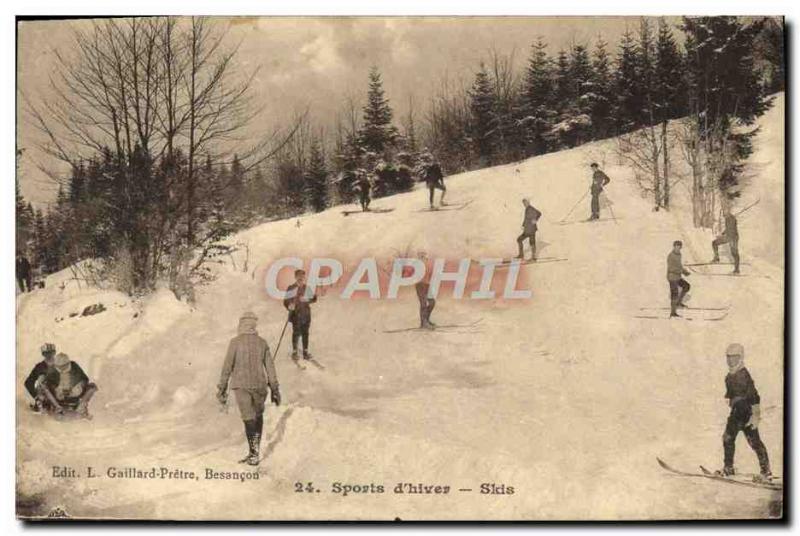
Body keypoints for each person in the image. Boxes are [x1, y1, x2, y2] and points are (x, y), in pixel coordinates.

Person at [217, 311, 281, 466]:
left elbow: (227, 366)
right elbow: (270, 368)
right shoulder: (262, 343)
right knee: (257, 417)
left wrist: (222, 387)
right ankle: (255, 452)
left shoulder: (235, 342)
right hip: (260, 386)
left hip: (241, 386)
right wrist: (275, 389)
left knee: (248, 418)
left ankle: (254, 453)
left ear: (241, 325)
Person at [717, 343, 772, 481]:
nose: (730, 360)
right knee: (727, 438)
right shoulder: (729, 376)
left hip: (746, 413)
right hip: (736, 413)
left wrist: (755, 415)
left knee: (754, 442)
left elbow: (754, 395)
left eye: (734, 357)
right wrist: (730, 400)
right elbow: (730, 394)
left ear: (740, 357)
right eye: (728, 357)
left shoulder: (744, 374)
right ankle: (728, 467)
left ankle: (766, 472)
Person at [42, 353, 98, 418]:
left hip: (75, 394)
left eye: (64, 366)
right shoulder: (52, 370)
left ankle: (81, 407)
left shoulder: (74, 366)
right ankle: (57, 407)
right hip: (58, 398)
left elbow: (84, 379)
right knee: (43, 387)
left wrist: (78, 387)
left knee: (92, 387)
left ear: (68, 363)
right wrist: (57, 390)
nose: (62, 369)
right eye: (59, 367)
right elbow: (47, 383)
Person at [283, 269, 318, 360]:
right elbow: (286, 301)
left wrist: (307, 299)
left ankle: (305, 352)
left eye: (302, 277)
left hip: (306, 315)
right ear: (295, 277)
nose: (301, 278)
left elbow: (314, 299)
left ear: (304, 278)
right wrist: (289, 306)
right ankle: (295, 352)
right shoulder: (291, 288)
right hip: (295, 315)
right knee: (296, 333)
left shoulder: (307, 288)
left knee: (305, 333)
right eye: (299, 277)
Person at [24, 343, 56, 412]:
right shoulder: (39, 367)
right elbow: (28, 382)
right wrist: (36, 397)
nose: (49, 355)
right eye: (46, 353)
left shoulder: (61, 364)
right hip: (44, 399)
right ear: (43, 354)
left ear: (54, 352)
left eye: (51, 352)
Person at [712, 205, 740, 274]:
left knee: (734, 252)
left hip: (733, 237)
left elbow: (731, 229)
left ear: (728, 211)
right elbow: (727, 229)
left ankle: (737, 269)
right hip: (728, 237)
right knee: (714, 243)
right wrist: (722, 233)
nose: (723, 214)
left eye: (724, 212)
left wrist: (724, 235)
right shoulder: (727, 218)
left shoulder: (732, 219)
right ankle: (716, 258)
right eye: (723, 212)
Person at [667, 240, 691, 318]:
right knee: (674, 294)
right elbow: (671, 268)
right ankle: (673, 312)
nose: (678, 248)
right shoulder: (671, 256)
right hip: (672, 277)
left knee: (686, 286)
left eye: (679, 247)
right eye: (676, 246)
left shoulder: (679, 255)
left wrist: (684, 271)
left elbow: (679, 266)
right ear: (674, 247)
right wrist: (682, 271)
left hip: (677, 277)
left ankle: (678, 303)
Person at [414, 251, 436, 329]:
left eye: (425, 256)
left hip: (427, 285)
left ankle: (426, 319)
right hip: (420, 285)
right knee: (423, 304)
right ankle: (423, 323)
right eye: (423, 256)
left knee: (432, 302)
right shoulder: (417, 265)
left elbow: (430, 275)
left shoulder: (427, 264)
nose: (426, 257)